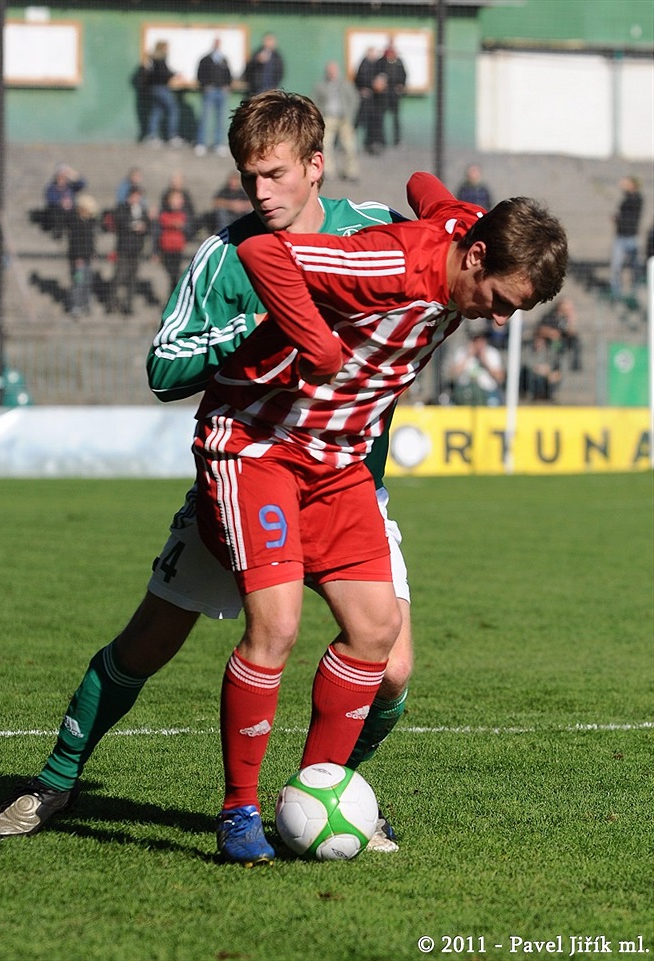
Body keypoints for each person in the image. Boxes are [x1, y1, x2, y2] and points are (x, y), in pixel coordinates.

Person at [0, 92, 412, 856]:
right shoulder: (225, 257)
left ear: (317, 165)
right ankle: (55, 779)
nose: (260, 193)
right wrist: (251, 328)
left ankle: (334, 791)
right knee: (150, 640)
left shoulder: (375, 232)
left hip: (346, 483)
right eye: (249, 178)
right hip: (246, 479)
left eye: (275, 175)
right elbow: (163, 365)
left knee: (392, 667)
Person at [193, 172, 568, 865]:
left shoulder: (469, 238)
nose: (498, 318)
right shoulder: (387, 263)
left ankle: (310, 795)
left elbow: (429, 190)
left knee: (376, 630)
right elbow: (266, 255)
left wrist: (436, 196)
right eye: (500, 301)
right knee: (275, 624)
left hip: (335, 460)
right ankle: (237, 811)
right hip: (260, 443)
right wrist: (321, 345)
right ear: (477, 257)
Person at [312, 61, 360, 182]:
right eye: (330, 71)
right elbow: (315, 101)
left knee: (349, 146)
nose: (332, 73)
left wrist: (350, 114)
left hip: (344, 118)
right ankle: (328, 170)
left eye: (334, 70)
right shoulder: (321, 85)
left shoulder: (345, 84)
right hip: (328, 118)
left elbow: (354, 99)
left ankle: (350, 171)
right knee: (326, 145)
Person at [110, 185, 151, 315]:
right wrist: (132, 226)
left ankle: (128, 305)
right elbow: (119, 222)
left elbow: (148, 227)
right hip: (123, 248)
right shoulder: (122, 208)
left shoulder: (142, 210)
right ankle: (112, 303)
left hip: (136, 249)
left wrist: (143, 227)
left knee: (132, 278)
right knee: (119, 276)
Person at [448, 325, 505, 406]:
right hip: (465, 392)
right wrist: (467, 356)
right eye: (476, 340)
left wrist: (485, 362)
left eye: (481, 341)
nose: (478, 344)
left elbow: (500, 378)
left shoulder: (492, 353)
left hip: (488, 392)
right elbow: (453, 375)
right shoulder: (462, 352)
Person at [143, 41, 185, 147]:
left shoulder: (152, 59)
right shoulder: (159, 59)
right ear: (162, 48)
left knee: (157, 111)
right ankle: (172, 135)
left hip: (154, 88)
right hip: (160, 88)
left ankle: (151, 136)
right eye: (167, 47)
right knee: (173, 109)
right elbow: (162, 73)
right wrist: (174, 74)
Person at [195, 38, 232, 158]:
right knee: (205, 117)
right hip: (210, 92)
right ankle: (201, 143)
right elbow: (199, 74)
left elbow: (229, 75)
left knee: (221, 119)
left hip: (221, 92)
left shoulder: (224, 59)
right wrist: (205, 85)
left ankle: (218, 144)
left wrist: (227, 85)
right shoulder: (205, 59)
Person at [609, 175, 643, 300]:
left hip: (631, 237)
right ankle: (615, 292)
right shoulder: (626, 199)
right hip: (620, 236)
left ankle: (635, 292)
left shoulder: (637, 198)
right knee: (616, 265)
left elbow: (630, 213)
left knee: (634, 266)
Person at [66, 193, 98, 318]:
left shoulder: (89, 222)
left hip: (87, 257)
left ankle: (86, 304)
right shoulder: (75, 222)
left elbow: (91, 240)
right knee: (78, 282)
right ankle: (75, 305)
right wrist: (77, 257)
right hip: (78, 258)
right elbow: (74, 242)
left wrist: (92, 252)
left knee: (87, 282)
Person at [535, 296, 582, 372]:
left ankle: (574, 364)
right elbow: (540, 329)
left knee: (575, 340)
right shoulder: (550, 316)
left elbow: (571, 332)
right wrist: (552, 333)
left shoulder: (565, 319)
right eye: (568, 306)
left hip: (560, 344)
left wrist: (571, 320)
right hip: (549, 344)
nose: (569, 309)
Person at [157, 189, 189, 297]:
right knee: (171, 275)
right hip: (167, 249)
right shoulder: (164, 214)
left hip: (178, 248)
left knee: (176, 275)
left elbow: (189, 228)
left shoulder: (184, 215)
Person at [375, 42, 406, 146]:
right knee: (381, 117)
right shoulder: (381, 62)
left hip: (395, 95)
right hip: (384, 95)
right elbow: (377, 76)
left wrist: (401, 85)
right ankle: (381, 140)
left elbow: (404, 75)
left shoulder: (399, 62)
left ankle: (397, 140)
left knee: (396, 118)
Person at [44, 163, 87, 240]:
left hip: (71, 211)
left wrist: (73, 175)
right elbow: (50, 199)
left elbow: (83, 184)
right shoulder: (52, 188)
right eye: (60, 175)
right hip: (58, 212)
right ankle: (58, 233)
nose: (62, 178)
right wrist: (61, 203)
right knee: (58, 213)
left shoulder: (70, 187)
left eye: (64, 176)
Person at [520, 331, 562, 402]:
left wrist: (547, 371)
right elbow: (527, 364)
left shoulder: (549, 352)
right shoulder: (528, 351)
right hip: (533, 375)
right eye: (537, 340)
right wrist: (539, 369)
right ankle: (535, 396)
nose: (538, 342)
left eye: (540, 340)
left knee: (554, 376)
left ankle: (548, 397)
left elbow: (552, 366)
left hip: (546, 375)